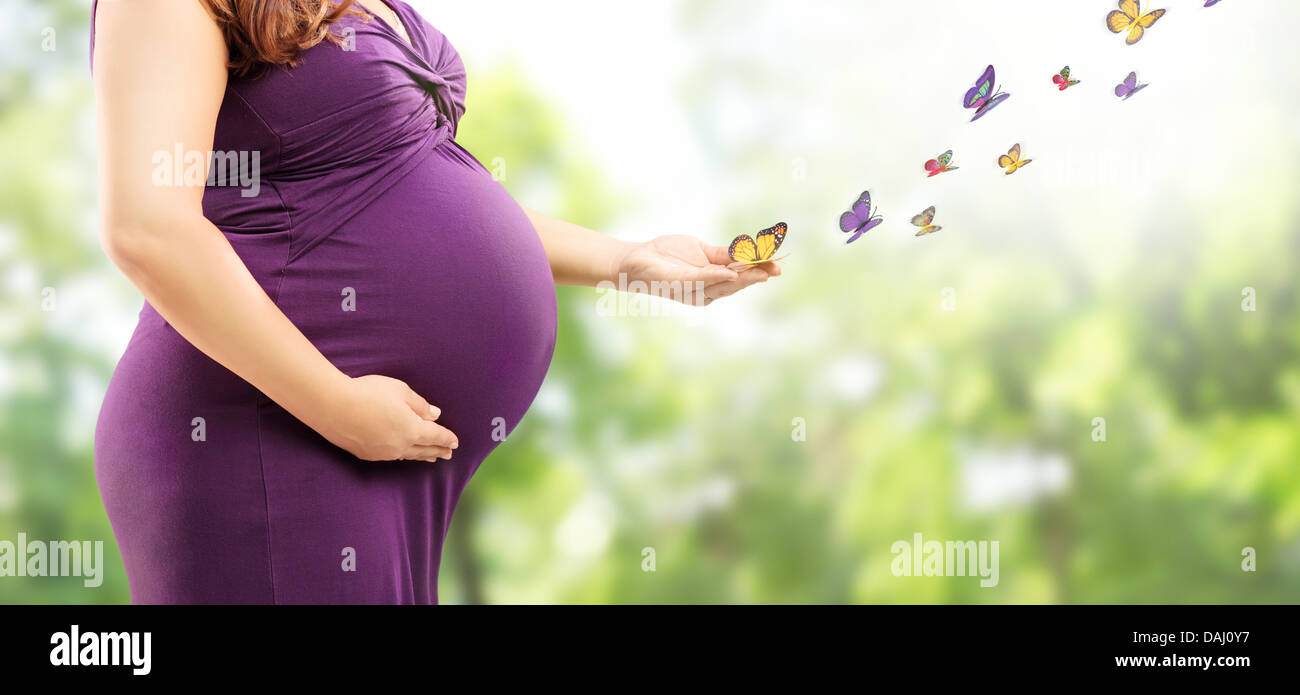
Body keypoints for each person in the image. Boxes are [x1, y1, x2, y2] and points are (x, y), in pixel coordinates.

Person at [90, 0, 779, 603]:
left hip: (372, 448)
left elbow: (401, 190)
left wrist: (626, 262)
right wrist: (336, 406)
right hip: (266, 437)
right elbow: (149, 228)